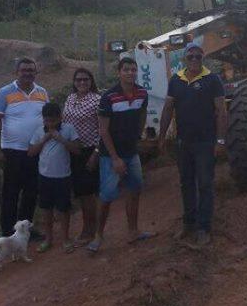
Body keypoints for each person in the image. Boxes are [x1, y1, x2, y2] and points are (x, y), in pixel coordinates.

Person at [157, 41, 227, 246]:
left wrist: (220, 140)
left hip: (205, 142)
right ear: (184, 59)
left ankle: (204, 228)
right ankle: (188, 224)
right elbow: (168, 108)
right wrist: (162, 137)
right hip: (183, 143)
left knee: (205, 184)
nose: (195, 60)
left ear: (203, 58)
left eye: (198, 56)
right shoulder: (176, 81)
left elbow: (221, 112)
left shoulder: (212, 79)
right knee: (186, 184)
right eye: (191, 56)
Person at [87, 57, 155, 252]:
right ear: (119, 72)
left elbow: (142, 115)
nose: (130, 73)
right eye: (126, 69)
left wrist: (138, 138)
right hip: (111, 156)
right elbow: (103, 130)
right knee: (107, 196)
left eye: (133, 70)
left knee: (135, 191)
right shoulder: (108, 97)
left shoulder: (142, 93)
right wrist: (115, 158)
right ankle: (98, 236)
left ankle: (133, 231)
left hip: (131, 152)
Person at [0, 57, 49, 237]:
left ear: (36, 72)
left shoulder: (42, 93)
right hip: (12, 151)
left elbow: (47, 119)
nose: (28, 73)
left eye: (31, 70)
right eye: (24, 70)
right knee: (11, 193)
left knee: (31, 192)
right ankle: (8, 232)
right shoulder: (4, 93)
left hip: (36, 150)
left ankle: (25, 231)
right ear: (17, 72)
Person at [27, 102, 80, 253]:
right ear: (43, 119)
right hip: (44, 177)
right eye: (47, 121)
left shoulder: (69, 129)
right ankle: (48, 239)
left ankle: (65, 239)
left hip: (63, 176)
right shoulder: (39, 131)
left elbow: (77, 150)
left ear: (60, 118)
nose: (50, 124)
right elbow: (30, 152)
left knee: (63, 209)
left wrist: (61, 139)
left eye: (53, 121)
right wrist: (43, 140)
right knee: (46, 209)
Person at [62, 67, 101, 247]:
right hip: (72, 152)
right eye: (78, 80)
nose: (82, 83)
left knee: (88, 194)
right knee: (81, 192)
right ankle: (89, 228)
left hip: (89, 151)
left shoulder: (97, 100)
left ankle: (90, 231)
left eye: (86, 79)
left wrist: (96, 153)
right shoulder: (70, 98)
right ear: (74, 82)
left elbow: (104, 130)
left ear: (91, 81)